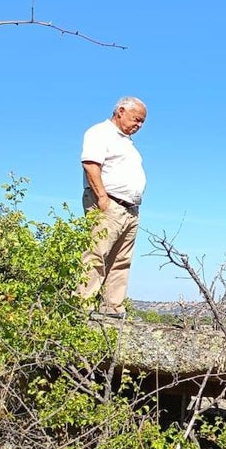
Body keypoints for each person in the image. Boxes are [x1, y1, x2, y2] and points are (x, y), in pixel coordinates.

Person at [77, 96, 148, 319]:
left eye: (142, 122)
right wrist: (103, 199)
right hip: (109, 204)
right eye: (137, 119)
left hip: (130, 209)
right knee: (96, 254)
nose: (139, 125)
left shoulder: (127, 143)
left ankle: (112, 308)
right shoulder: (100, 133)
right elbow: (90, 164)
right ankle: (81, 307)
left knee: (121, 260)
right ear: (120, 111)